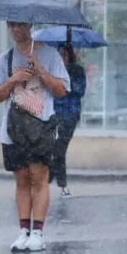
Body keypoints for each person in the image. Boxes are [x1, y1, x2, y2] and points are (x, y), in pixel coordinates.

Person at [0, 22, 69, 253]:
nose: (15, 30)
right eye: (11, 25)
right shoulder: (4, 60)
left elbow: (62, 90)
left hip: (41, 127)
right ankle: (23, 230)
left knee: (39, 178)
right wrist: (14, 80)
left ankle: (38, 232)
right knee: (22, 179)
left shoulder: (49, 54)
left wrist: (41, 71)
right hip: (14, 129)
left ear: (30, 26)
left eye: (20, 25)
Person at [50, 44, 86, 197]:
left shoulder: (77, 70)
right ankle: (61, 185)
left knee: (59, 148)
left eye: (65, 54)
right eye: (60, 55)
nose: (63, 58)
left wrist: (66, 82)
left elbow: (79, 90)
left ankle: (50, 179)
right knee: (56, 150)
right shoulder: (54, 70)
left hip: (70, 113)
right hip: (55, 112)